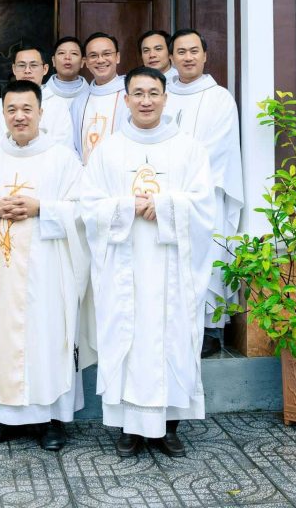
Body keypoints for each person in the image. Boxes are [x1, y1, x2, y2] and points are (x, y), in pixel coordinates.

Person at [81, 67, 213, 458]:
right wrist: (127, 206)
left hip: (172, 267)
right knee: (128, 339)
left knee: (172, 340)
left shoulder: (189, 149)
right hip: (124, 267)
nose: (146, 101)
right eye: (137, 93)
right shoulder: (108, 151)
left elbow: (204, 207)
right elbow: (89, 206)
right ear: (125, 99)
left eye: (153, 93)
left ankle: (168, 427)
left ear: (165, 98)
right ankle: (129, 427)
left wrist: (166, 206)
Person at [0, 80, 93, 452]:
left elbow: (83, 209)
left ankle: (52, 420)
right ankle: (3, 418)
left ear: (40, 112)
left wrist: (43, 208)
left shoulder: (62, 159)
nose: (19, 116)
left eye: (27, 109)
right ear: (3, 114)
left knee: (48, 337)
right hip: (0, 270)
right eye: (12, 110)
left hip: (48, 267)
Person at [165, 29, 243, 357]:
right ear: (171, 58)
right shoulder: (160, 93)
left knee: (207, 258)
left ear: (205, 55)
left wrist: (178, 175)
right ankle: (171, 328)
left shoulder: (219, 98)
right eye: (181, 52)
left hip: (204, 195)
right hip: (165, 195)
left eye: (194, 51)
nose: (188, 57)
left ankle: (210, 329)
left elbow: (217, 149)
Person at [0, 47, 73, 158]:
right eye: (22, 65)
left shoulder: (58, 105)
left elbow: (63, 145)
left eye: (33, 65)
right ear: (14, 69)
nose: (27, 70)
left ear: (45, 69)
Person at [71, 33, 130, 163]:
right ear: (86, 62)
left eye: (106, 54)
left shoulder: (131, 95)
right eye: (93, 56)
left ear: (117, 57)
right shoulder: (79, 102)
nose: (100, 60)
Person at [43, 36, 88, 107]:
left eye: (74, 53)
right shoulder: (40, 95)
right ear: (53, 61)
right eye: (61, 53)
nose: (67, 57)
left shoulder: (92, 95)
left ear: (82, 62)